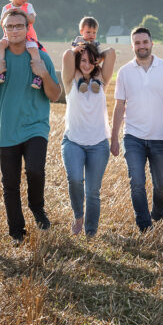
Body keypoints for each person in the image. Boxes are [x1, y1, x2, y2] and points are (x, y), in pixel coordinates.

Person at [0, 8, 61, 245]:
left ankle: (37, 207)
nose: (14, 30)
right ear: (3, 30)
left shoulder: (41, 57)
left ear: (27, 29)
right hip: (6, 128)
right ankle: (16, 230)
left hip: (36, 126)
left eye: (19, 26)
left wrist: (43, 73)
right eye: (10, 27)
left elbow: (55, 95)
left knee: (35, 170)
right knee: (10, 183)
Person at [110, 27, 163, 232]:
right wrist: (114, 137)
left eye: (145, 42)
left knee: (161, 186)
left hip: (160, 137)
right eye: (137, 43)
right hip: (133, 137)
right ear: (132, 46)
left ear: (151, 43)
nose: (141, 46)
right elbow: (119, 106)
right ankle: (144, 225)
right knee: (137, 183)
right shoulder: (124, 72)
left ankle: (157, 215)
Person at [61, 42, 111, 237]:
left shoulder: (102, 80)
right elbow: (66, 54)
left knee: (92, 192)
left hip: (98, 144)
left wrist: (96, 55)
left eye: (91, 61)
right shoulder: (70, 80)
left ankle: (90, 231)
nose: (87, 64)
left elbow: (113, 53)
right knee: (74, 179)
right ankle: (78, 216)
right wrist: (77, 51)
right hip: (73, 141)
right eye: (83, 60)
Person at [0, 0, 45, 89]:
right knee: (0, 45)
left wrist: (23, 12)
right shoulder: (6, 8)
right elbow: (2, 23)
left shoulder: (28, 7)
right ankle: (0, 71)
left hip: (28, 37)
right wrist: (6, 14)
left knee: (34, 50)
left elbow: (32, 20)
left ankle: (37, 77)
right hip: (10, 36)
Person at [71, 16, 117, 92]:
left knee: (98, 71)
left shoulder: (95, 43)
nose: (91, 35)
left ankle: (96, 83)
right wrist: (76, 49)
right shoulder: (79, 40)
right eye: (88, 32)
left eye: (94, 32)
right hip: (79, 64)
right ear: (81, 31)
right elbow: (71, 50)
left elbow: (99, 53)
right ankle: (81, 83)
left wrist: (99, 58)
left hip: (93, 64)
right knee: (77, 72)